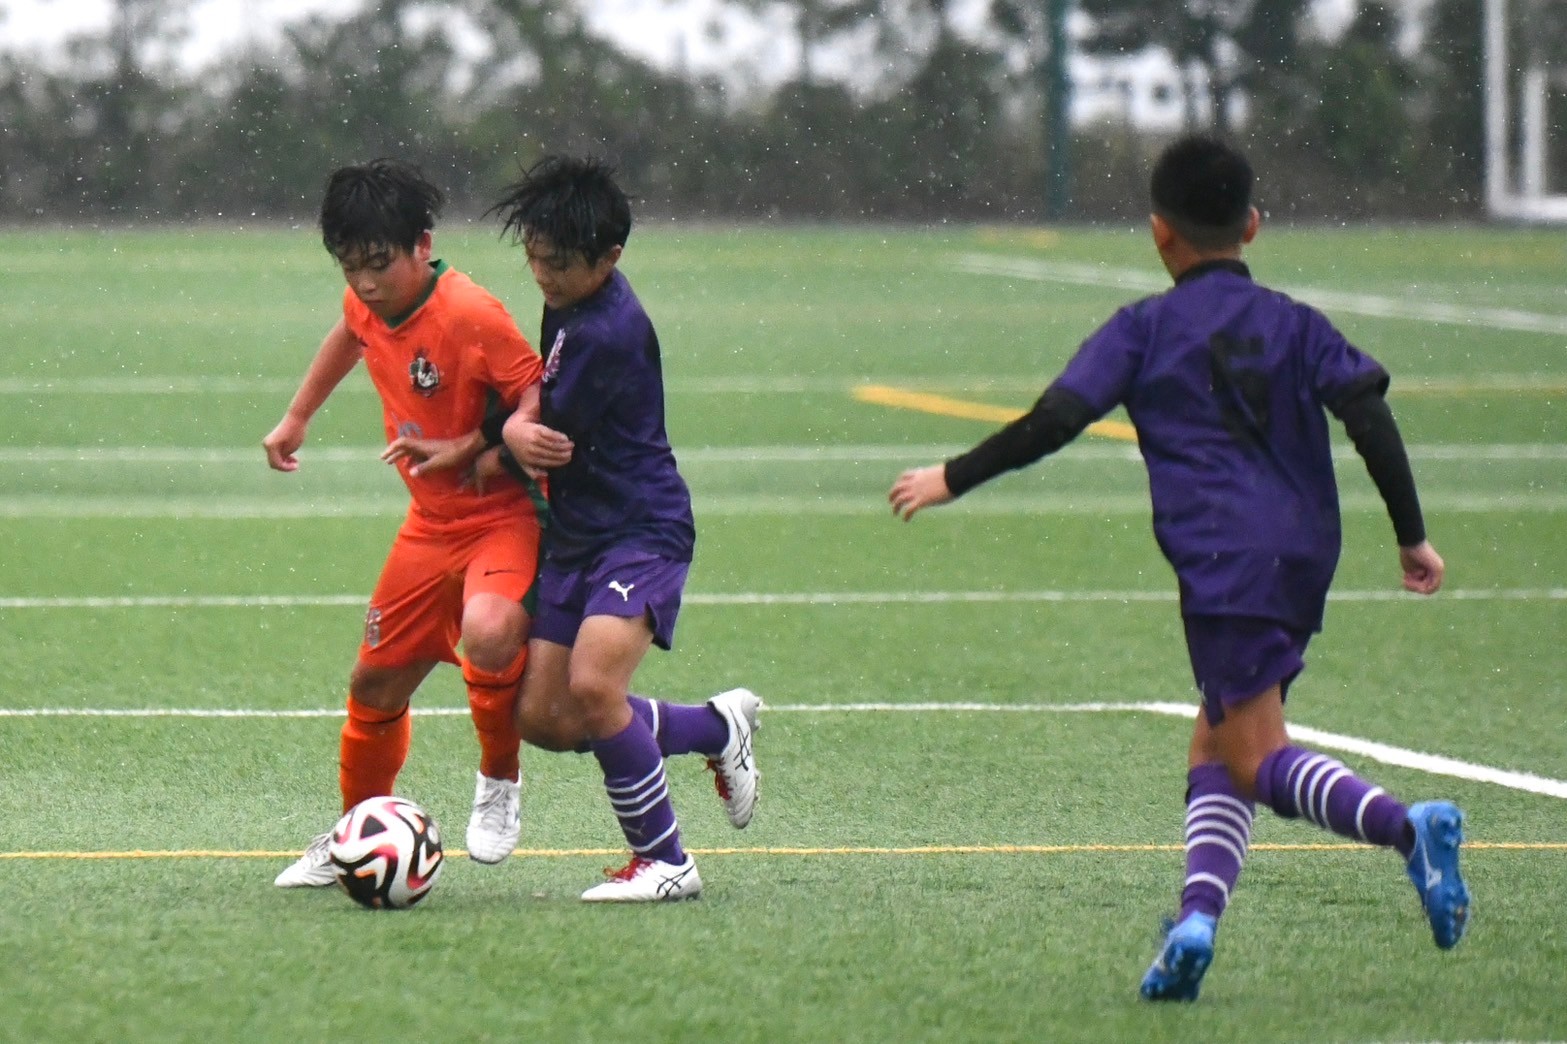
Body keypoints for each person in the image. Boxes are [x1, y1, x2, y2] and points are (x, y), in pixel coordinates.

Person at [888, 134, 1470, 1000]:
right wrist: (1410, 533)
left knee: (1254, 758)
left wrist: (951, 477)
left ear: (1158, 231)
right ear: (1252, 225)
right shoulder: (1294, 322)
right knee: (1216, 743)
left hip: (1224, 565)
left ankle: (1405, 829)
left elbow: (1055, 420)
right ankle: (1194, 925)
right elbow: (1366, 411)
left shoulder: (1143, 330)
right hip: (1303, 553)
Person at [397, 155, 762, 903]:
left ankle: (664, 861)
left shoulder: (608, 331)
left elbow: (547, 437)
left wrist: (488, 450)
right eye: (533, 257)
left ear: (610, 257)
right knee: (548, 719)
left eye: (558, 264)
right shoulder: (567, 301)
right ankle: (714, 728)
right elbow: (536, 403)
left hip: (639, 529)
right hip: (577, 533)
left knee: (595, 686)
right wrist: (486, 441)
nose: (542, 275)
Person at [263, 158, 546, 888]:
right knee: (375, 686)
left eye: (378, 263)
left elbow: (542, 396)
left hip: (503, 515)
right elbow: (350, 332)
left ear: (423, 244)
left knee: (488, 630)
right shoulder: (365, 301)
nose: (364, 283)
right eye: (349, 266)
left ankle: (500, 780)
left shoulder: (472, 313)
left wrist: (473, 446)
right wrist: (297, 416)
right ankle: (353, 835)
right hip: (429, 523)